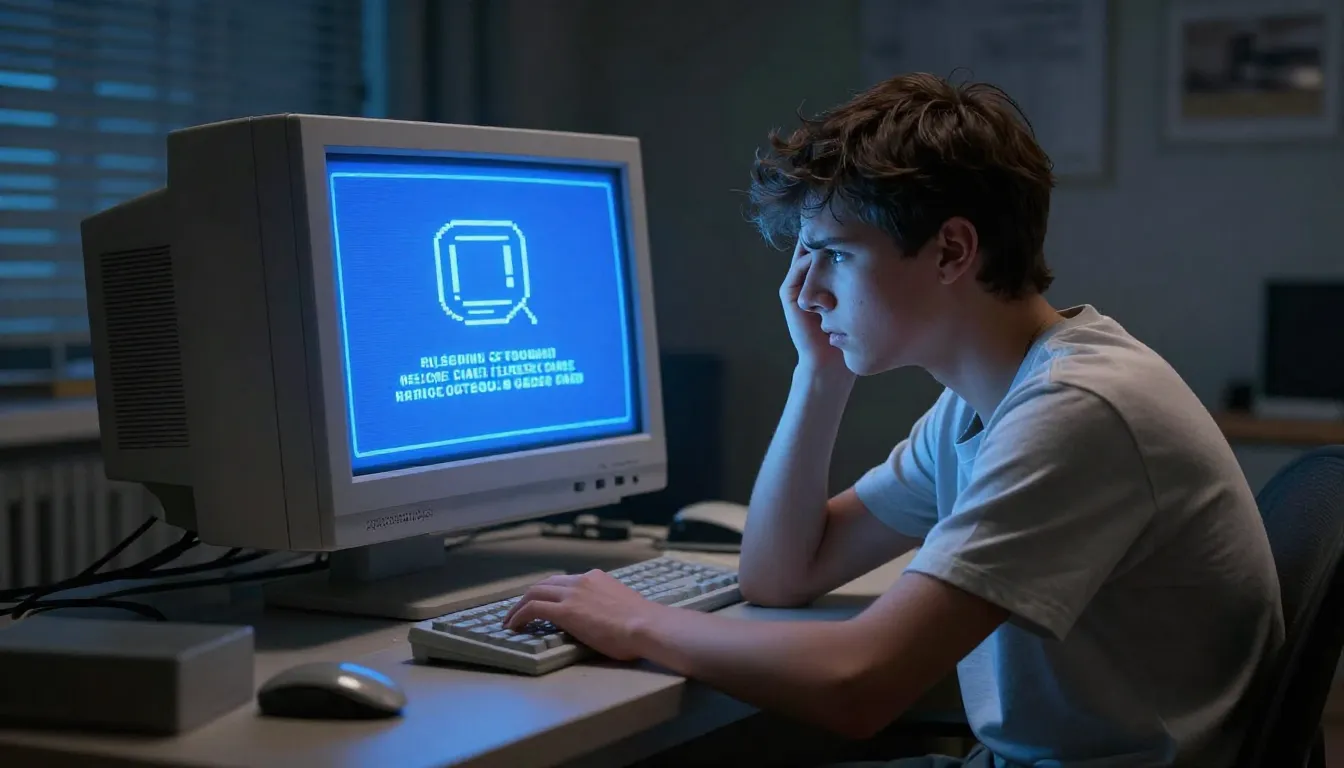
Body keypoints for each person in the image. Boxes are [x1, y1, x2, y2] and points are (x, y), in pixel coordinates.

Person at [504, 73, 1284, 767]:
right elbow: (780, 574)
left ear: (951, 251)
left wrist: (637, 624)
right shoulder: (983, 403)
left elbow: (859, 685)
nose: (804, 292)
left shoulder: (1078, 411)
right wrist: (820, 376)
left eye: (833, 255)